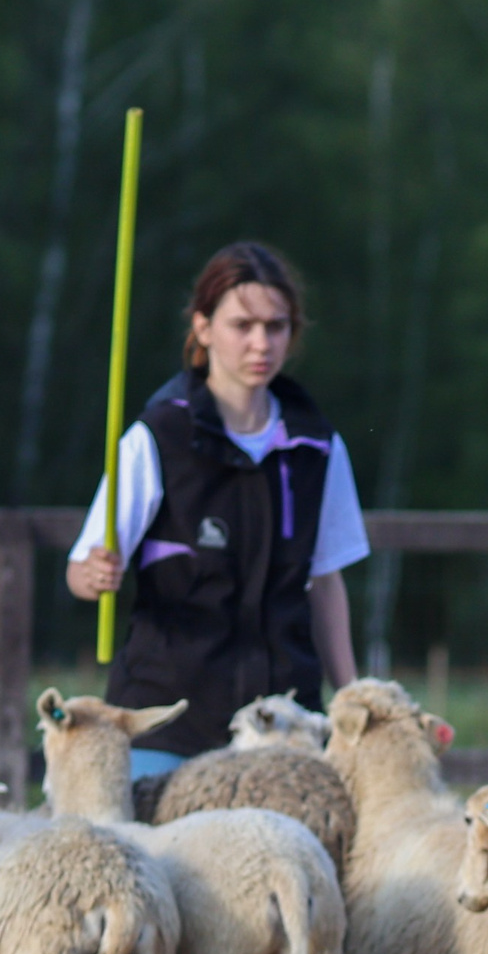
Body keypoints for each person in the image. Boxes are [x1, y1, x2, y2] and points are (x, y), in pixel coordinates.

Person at [67, 242, 366, 780]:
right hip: (167, 720)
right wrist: (92, 574)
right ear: (203, 328)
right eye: (242, 325)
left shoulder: (318, 446)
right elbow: (82, 569)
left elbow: (326, 581)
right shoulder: (158, 436)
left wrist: (350, 700)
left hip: (284, 724)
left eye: (276, 327)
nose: (261, 343)